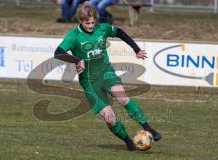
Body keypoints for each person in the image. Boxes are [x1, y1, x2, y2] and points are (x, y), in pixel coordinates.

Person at [54, 4, 162, 151]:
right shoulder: (74, 36)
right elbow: (58, 53)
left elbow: (120, 33)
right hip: (90, 82)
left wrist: (136, 49)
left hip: (106, 73)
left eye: (93, 22)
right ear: (81, 20)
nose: (91, 26)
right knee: (109, 117)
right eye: (87, 23)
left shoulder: (103, 28)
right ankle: (129, 141)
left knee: (123, 98)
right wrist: (76, 59)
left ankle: (148, 128)